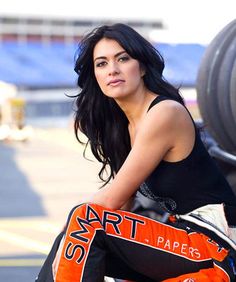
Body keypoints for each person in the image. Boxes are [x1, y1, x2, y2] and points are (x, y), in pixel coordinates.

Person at [36, 23, 236, 282]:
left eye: (123, 58)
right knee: (82, 231)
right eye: (102, 64)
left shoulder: (165, 113)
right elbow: (123, 206)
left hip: (212, 242)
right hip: (179, 238)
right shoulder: (126, 127)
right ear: (95, 75)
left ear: (141, 67)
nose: (113, 70)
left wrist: (68, 232)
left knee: (84, 219)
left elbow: (107, 203)